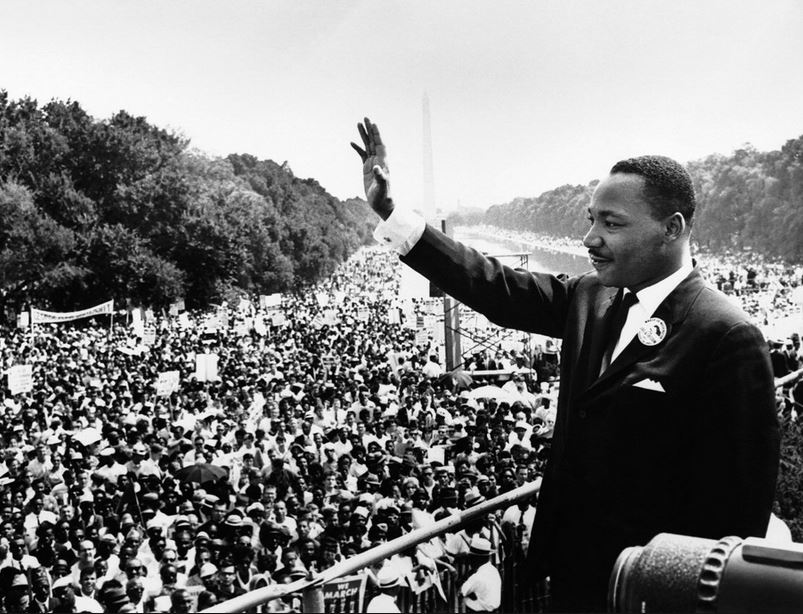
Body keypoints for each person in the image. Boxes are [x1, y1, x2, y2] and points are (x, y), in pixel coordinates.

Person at [352, 118, 780, 611]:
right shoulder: (590, 295)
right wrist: (390, 211)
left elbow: (737, 513)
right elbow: (492, 285)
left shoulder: (726, 334)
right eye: (591, 219)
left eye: (611, 223)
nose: (589, 238)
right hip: (571, 575)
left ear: (673, 228)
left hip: (650, 591)